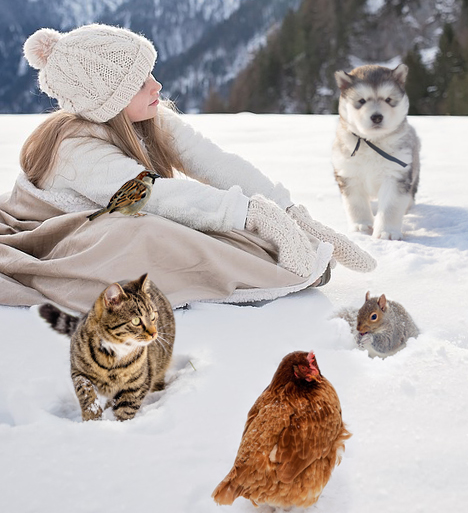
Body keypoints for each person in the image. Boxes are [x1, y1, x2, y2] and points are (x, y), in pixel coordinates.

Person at [0, 24, 375, 312]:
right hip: (58, 232)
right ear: (108, 100)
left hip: (121, 210)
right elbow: (148, 195)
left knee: (203, 216)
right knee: (148, 231)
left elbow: (213, 162)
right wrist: (251, 214)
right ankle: (274, 272)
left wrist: (286, 210)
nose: (157, 86)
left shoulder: (148, 118)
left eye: (151, 74)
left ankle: (290, 256)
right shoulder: (74, 149)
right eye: (141, 83)